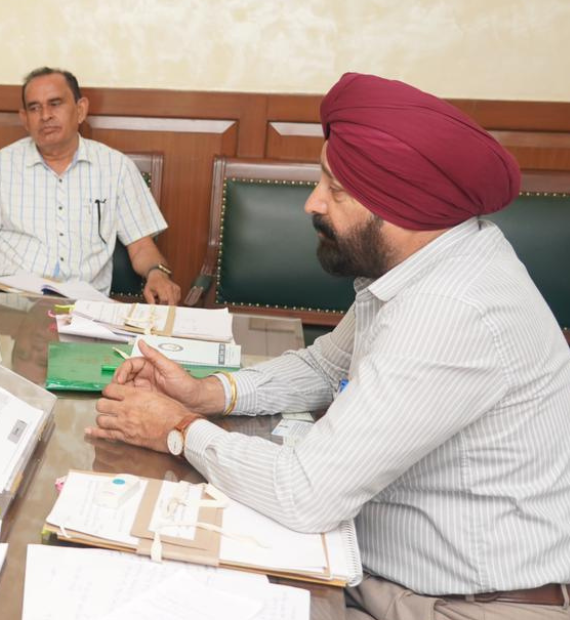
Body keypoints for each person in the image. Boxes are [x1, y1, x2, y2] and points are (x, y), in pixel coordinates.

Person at [90, 73, 570, 618]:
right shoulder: (432, 259)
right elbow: (325, 366)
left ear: (403, 203)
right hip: (376, 568)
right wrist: (207, 394)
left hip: (461, 605)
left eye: (335, 190)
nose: (312, 203)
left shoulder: (451, 309)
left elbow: (304, 493)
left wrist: (177, 430)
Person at [0, 67, 180, 304]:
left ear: (80, 110)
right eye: (34, 108)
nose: (45, 115)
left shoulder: (116, 168)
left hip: (82, 306)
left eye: (55, 104)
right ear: (25, 119)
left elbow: (141, 246)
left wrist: (157, 273)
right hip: (8, 300)